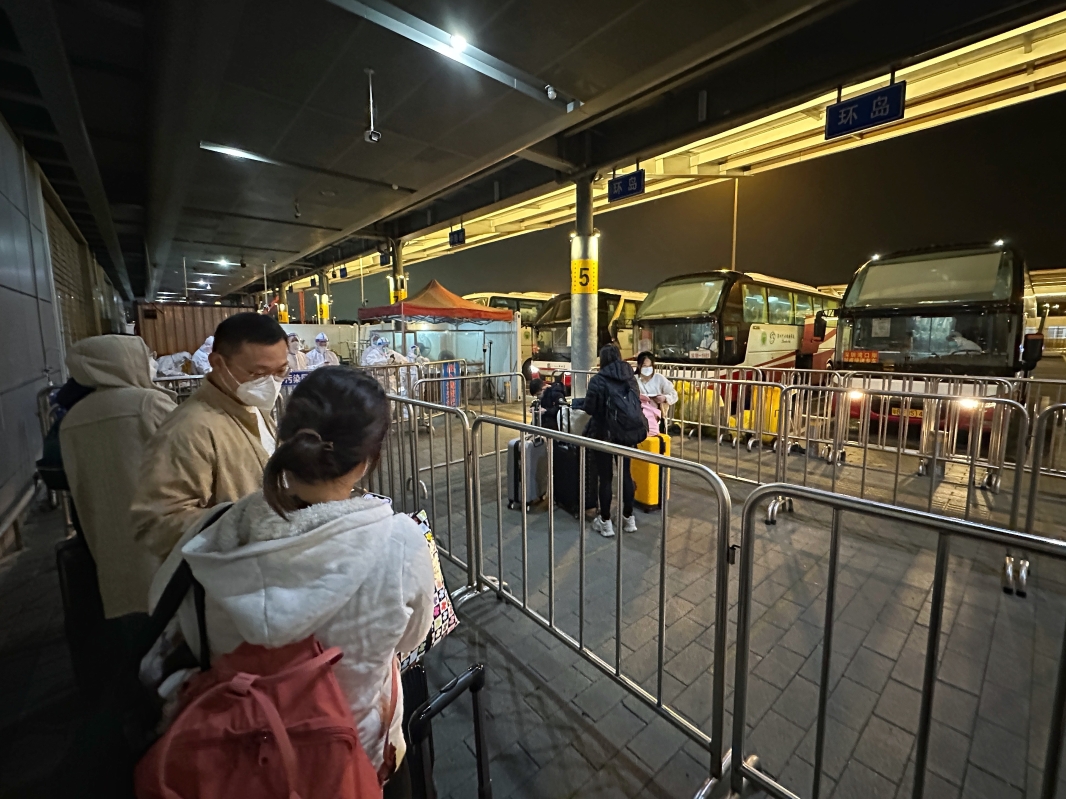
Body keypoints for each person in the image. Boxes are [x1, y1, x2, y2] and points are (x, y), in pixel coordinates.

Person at [150, 367, 435, 795]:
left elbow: (191, 633)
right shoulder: (400, 544)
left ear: (285, 438)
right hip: (353, 760)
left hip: (239, 760)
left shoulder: (218, 536)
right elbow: (412, 638)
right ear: (367, 460)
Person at [129, 313, 289, 563]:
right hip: (226, 571)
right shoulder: (190, 428)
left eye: (280, 371)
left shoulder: (250, 407)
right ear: (217, 362)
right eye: (258, 373)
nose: (270, 383)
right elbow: (156, 522)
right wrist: (242, 522)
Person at [59, 336, 178, 618]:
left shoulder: (73, 417)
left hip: (107, 529)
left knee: (131, 601)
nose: (150, 363)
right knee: (172, 598)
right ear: (124, 361)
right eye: (145, 356)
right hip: (161, 524)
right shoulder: (147, 402)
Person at [582, 345, 645, 537]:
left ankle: (606, 522)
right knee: (625, 474)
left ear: (602, 360)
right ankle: (628, 518)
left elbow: (590, 408)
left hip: (604, 434)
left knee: (606, 478)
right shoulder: (630, 377)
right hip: (626, 434)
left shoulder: (598, 380)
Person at [635, 351, 678, 428]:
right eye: (645, 366)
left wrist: (664, 398)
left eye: (650, 366)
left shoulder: (659, 378)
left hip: (656, 419)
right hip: (637, 417)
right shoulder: (633, 379)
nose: (647, 369)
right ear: (639, 365)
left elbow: (674, 394)